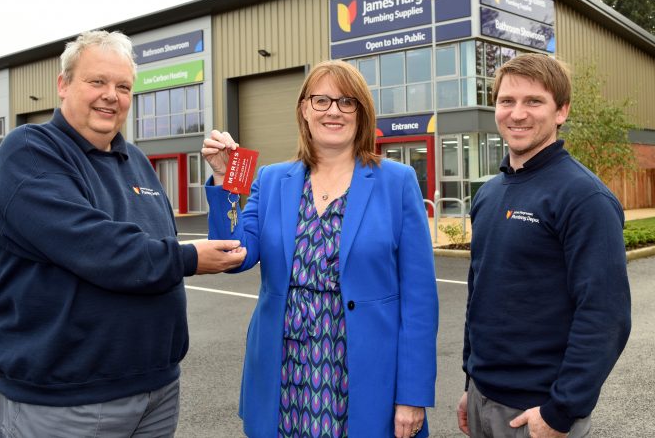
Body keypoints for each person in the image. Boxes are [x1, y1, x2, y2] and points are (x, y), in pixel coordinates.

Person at [0, 30, 246, 437]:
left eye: (123, 86)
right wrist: (190, 258)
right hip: (67, 400)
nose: (111, 95)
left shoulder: (135, 161)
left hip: (156, 389)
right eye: (97, 82)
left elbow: (174, 245)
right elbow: (99, 248)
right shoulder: (31, 152)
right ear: (63, 84)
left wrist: (225, 182)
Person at [202, 60, 439, 438]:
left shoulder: (397, 182)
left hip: (364, 376)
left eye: (347, 102)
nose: (333, 111)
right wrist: (223, 177)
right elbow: (234, 256)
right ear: (304, 109)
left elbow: (420, 299)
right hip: (285, 372)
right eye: (322, 100)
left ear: (361, 113)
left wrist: (412, 395)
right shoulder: (271, 178)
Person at [456, 53, 631, 438]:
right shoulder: (488, 193)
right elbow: (480, 294)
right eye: (507, 101)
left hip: (537, 411)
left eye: (534, 101)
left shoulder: (584, 198)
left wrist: (561, 410)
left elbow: (606, 314)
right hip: (483, 397)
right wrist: (471, 383)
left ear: (561, 111)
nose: (517, 113)